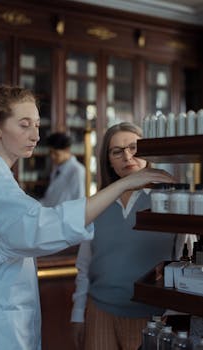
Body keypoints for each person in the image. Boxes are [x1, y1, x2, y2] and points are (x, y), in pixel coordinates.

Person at [0, 86, 174, 350]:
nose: (36, 135)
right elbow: (42, 228)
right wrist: (123, 185)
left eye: (36, 124)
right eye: (24, 125)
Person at [71, 121, 194, 350]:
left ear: (147, 152)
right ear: (108, 160)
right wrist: (78, 314)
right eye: (117, 151)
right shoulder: (97, 203)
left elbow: (187, 261)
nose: (127, 156)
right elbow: (84, 265)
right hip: (100, 311)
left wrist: (172, 314)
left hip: (153, 318)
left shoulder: (171, 200)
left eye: (133, 148)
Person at [40, 132, 85, 206]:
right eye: (50, 152)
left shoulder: (77, 170)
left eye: (56, 154)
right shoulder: (57, 169)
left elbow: (79, 200)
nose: (52, 157)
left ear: (67, 150)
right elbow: (50, 199)